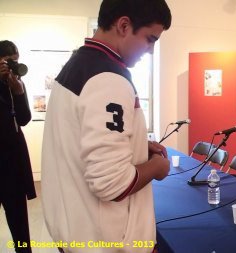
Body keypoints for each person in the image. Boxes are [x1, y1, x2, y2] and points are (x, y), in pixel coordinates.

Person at [41, 0, 172, 252]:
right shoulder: (109, 78)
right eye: (150, 39)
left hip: (76, 230)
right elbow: (112, 183)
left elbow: (80, 137)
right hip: (105, 241)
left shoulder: (78, 65)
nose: (151, 50)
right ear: (124, 25)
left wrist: (136, 145)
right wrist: (156, 167)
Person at [0, 40, 35, 253]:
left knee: (19, 221)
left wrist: (19, 93)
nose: (14, 66)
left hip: (12, 161)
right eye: (9, 62)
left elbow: (24, 119)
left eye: (16, 61)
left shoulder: (16, 83)